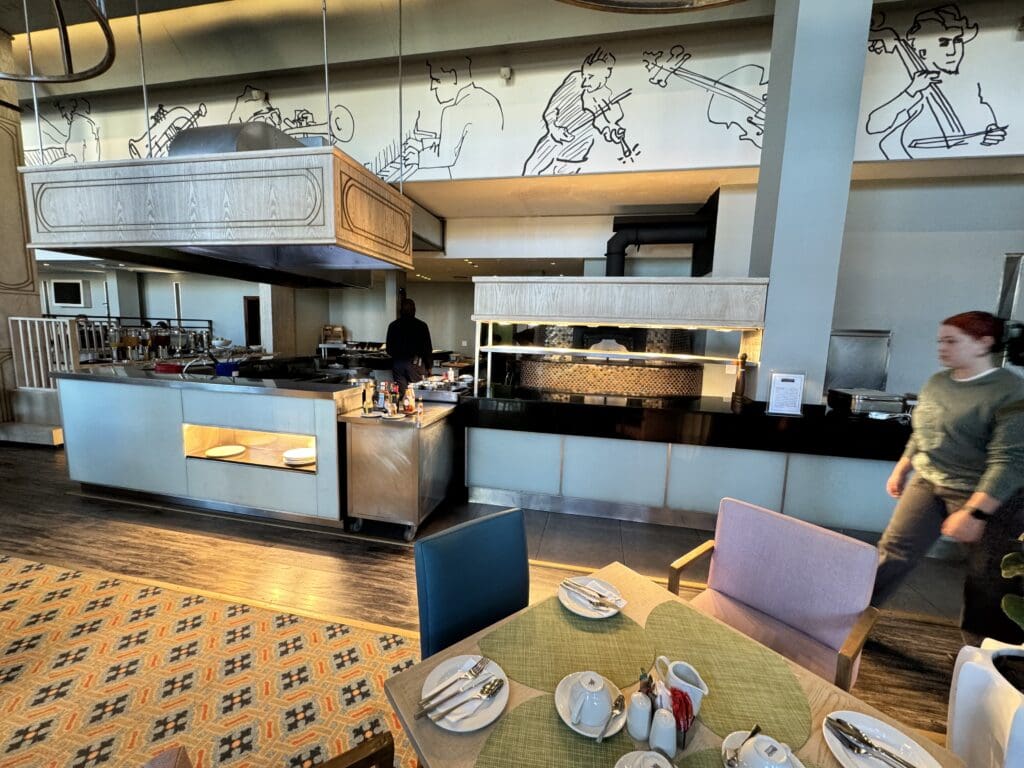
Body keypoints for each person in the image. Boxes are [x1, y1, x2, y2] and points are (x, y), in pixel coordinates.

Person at [872, 311, 1024, 643]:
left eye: (952, 341)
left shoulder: (1010, 391)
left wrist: (976, 513)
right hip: (929, 483)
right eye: (941, 341)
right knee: (892, 552)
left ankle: (981, 655)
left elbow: (1010, 461)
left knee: (988, 577)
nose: (942, 348)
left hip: (986, 494)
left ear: (984, 343)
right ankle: (848, 623)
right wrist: (903, 467)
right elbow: (921, 431)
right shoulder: (938, 382)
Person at [386, 299, 433, 390]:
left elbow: (389, 349)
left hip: (398, 364)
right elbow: (427, 349)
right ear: (414, 310)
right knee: (418, 392)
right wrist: (429, 366)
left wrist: (397, 357)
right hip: (416, 364)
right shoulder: (421, 326)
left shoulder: (393, 326)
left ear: (401, 311)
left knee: (403, 394)